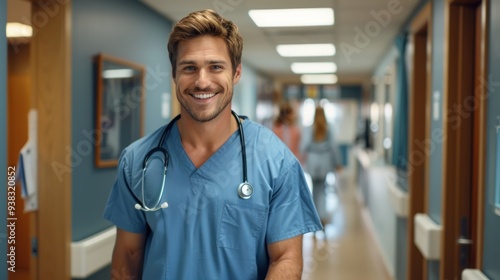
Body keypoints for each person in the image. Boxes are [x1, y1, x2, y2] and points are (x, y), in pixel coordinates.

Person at [103, 9, 321, 280]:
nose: (202, 81)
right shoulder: (138, 160)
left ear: (236, 72)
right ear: (174, 74)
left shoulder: (275, 162)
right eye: (189, 68)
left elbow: (286, 258)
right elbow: (128, 257)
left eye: (216, 67)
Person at [300, 105, 343, 227]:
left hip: (313, 163)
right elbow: (334, 147)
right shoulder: (328, 128)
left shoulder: (308, 129)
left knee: (314, 190)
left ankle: (314, 216)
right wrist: (338, 163)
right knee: (323, 189)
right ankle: (322, 216)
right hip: (325, 162)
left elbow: (304, 146)